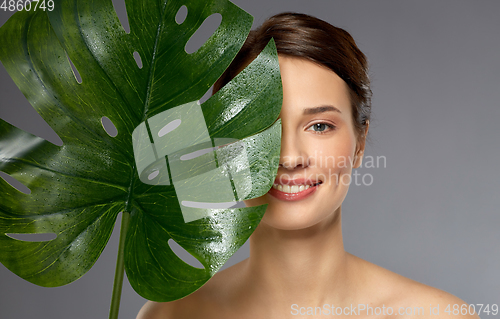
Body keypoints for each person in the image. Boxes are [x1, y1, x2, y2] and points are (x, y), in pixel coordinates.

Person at [137, 12, 478, 319]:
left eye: (319, 126)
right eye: (259, 124)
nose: (288, 157)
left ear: (360, 144)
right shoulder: (170, 316)